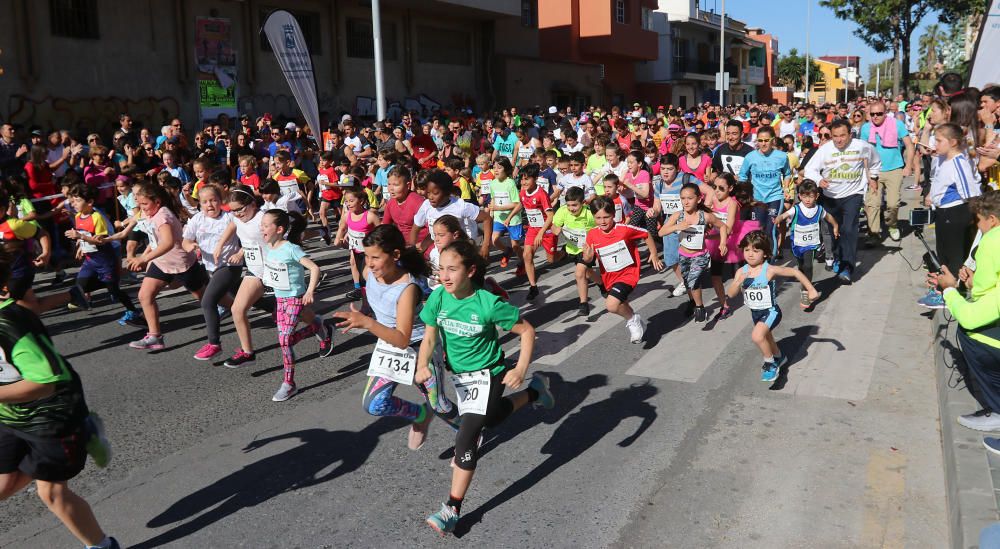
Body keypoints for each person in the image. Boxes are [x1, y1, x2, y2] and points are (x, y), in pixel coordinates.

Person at [417, 239, 554, 536]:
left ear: (471, 270)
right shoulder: (438, 297)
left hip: (489, 375)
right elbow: (429, 337)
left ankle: (451, 509)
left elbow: (527, 331)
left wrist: (520, 368)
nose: (445, 276)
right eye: (441, 269)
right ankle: (535, 393)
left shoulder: (488, 304)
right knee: (491, 418)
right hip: (461, 378)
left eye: (452, 269)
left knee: (466, 437)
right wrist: (422, 364)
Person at [0, 249, 121, 549]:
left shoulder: (9, 325)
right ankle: (82, 434)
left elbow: (45, 383)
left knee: (51, 493)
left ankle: (103, 547)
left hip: (52, 415)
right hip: (9, 413)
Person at [332, 225, 457, 449]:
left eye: (375, 257)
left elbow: (402, 339)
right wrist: (367, 314)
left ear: (395, 255)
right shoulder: (369, 271)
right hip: (388, 347)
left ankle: (468, 436)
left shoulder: (407, 289)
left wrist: (366, 322)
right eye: (366, 255)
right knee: (374, 404)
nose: (368, 263)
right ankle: (420, 415)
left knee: (439, 404)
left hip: (420, 350)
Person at [932, 192, 1000, 433]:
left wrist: (949, 289)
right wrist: (972, 283)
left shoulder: (992, 240)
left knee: (969, 334)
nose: (976, 225)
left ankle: (997, 409)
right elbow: (986, 286)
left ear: (991, 219)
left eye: (978, 220)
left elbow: (973, 315)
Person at [726, 230, 819, 382]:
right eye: (747, 250)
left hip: (771, 312)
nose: (750, 254)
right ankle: (779, 357)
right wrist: (737, 282)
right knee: (766, 337)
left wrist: (811, 289)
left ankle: (770, 364)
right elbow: (730, 294)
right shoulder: (741, 272)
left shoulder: (769, 270)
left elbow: (795, 273)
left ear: (765, 253)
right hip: (755, 313)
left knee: (757, 336)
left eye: (756, 251)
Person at [125, 182, 207, 351]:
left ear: (157, 201)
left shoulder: (162, 215)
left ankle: (239, 309)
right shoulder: (151, 213)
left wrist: (144, 259)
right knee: (145, 296)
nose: (142, 207)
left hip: (181, 264)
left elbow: (168, 243)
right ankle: (155, 336)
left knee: (208, 299)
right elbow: (155, 241)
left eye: (145, 204)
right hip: (161, 263)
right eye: (140, 204)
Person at [260, 209, 331, 402]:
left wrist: (309, 292)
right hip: (280, 300)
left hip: (295, 299)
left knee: (284, 341)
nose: (262, 228)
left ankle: (289, 384)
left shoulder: (291, 248)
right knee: (286, 340)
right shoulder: (269, 248)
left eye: (266, 225)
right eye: (262, 224)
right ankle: (318, 327)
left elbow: (314, 268)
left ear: (280, 229)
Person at [803, 119, 881, 283]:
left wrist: (873, 177)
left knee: (849, 229)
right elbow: (810, 169)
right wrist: (819, 180)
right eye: (835, 136)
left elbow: (875, 161)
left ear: (850, 134)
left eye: (842, 136)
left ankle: (847, 267)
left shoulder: (862, 146)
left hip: (853, 194)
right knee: (833, 232)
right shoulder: (825, 150)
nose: (838, 140)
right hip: (830, 197)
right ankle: (838, 257)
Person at [583, 196, 665, 342]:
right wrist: (588, 258)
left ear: (614, 214)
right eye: (598, 217)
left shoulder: (624, 230)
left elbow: (646, 234)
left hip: (628, 274)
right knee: (621, 303)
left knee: (611, 305)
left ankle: (632, 319)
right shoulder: (592, 234)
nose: (602, 221)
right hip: (609, 277)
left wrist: (654, 254)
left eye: (606, 217)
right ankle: (637, 321)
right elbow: (589, 258)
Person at [920, 123, 984, 309]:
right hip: (943, 212)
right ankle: (944, 291)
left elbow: (970, 192)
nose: (935, 144)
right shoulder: (942, 159)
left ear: (953, 142)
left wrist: (973, 217)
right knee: (944, 253)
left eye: (939, 141)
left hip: (955, 213)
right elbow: (939, 182)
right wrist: (932, 197)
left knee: (954, 255)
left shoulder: (959, 162)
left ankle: (954, 292)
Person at [63, 185, 141, 326]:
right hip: (90, 260)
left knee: (114, 290)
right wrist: (81, 245)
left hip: (105, 259)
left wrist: (80, 236)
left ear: (90, 202)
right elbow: (85, 234)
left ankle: (133, 310)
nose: (73, 204)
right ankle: (103, 286)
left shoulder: (97, 217)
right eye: (73, 200)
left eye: (77, 200)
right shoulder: (77, 216)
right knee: (80, 287)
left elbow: (101, 241)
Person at [182, 184, 241, 360]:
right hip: (211, 268)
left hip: (230, 266)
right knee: (238, 299)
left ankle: (214, 344)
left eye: (213, 200)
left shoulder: (230, 218)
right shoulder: (197, 219)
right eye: (205, 202)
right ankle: (274, 309)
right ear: (199, 204)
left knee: (208, 301)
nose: (210, 205)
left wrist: (239, 253)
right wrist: (190, 245)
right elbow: (185, 241)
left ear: (221, 201)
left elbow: (248, 238)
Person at [658, 183, 728, 322]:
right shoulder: (677, 215)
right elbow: (661, 232)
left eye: (689, 198)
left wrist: (722, 243)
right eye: (683, 198)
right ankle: (694, 303)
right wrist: (678, 226)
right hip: (683, 255)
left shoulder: (705, 216)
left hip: (700, 255)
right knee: (687, 281)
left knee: (693, 280)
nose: (686, 201)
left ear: (699, 199)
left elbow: (723, 227)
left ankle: (700, 307)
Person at [775, 180, 840, 309]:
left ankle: (806, 291)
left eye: (810, 196)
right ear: (799, 196)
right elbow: (785, 215)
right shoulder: (797, 208)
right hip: (797, 244)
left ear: (816, 196)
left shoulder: (819, 209)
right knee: (802, 267)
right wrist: (778, 219)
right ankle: (805, 281)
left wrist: (835, 226)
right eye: (804, 196)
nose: (808, 200)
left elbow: (829, 217)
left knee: (808, 266)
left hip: (811, 244)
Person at [539, 186, 601, 316]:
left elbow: (601, 228)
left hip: (586, 250)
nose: (571, 208)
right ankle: (602, 284)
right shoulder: (562, 211)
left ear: (583, 203)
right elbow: (555, 226)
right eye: (569, 205)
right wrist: (556, 229)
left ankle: (583, 304)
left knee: (579, 274)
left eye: (575, 205)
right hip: (570, 247)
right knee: (588, 273)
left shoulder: (590, 215)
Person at [860, 100, 915, 243]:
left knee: (893, 204)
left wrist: (908, 166)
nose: (875, 117)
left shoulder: (897, 124)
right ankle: (873, 234)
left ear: (885, 113)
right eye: (872, 114)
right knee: (873, 203)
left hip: (894, 169)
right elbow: (864, 153)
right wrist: (866, 174)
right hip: (874, 171)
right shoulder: (866, 128)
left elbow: (909, 145)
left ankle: (892, 225)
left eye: (879, 113)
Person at [738, 126, 791, 257]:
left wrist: (785, 188)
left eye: (766, 140)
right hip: (757, 198)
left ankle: (769, 261)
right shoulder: (750, 157)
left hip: (775, 197)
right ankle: (758, 258)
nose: (763, 143)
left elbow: (787, 174)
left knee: (770, 229)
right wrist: (746, 193)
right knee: (758, 229)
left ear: (773, 140)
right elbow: (742, 176)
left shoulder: (782, 156)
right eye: (760, 140)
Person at [519, 163, 560, 300]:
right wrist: (510, 216)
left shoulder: (542, 194)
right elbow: (521, 203)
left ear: (535, 179)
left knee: (551, 259)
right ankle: (533, 287)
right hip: (532, 228)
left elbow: (550, 216)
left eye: (527, 179)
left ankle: (564, 252)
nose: (523, 182)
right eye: (522, 179)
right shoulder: (523, 191)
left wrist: (542, 233)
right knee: (527, 254)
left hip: (546, 229)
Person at [335, 187, 380, 301]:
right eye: (346, 201)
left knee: (367, 277)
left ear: (361, 201)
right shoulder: (347, 215)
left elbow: (381, 231)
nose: (348, 204)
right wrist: (338, 238)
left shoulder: (370, 216)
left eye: (351, 201)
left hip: (368, 253)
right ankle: (364, 299)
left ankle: (370, 301)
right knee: (360, 276)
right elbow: (342, 227)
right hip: (356, 250)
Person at [705, 174, 739, 320]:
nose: (717, 191)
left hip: (732, 242)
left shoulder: (732, 204)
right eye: (714, 187)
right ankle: (724, 305)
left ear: (730, 188)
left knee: (742, 275)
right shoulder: (712, 200)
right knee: (715, 276)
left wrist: (712, 236)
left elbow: (729, 229)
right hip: (715, 242)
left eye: (721, 188)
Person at [486, 157, 523, 271]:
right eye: (494, 167)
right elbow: (493, 198)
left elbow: (516, 203)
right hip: (499, 218)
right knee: (494, 240)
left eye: (499, 167)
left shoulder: (510, 183)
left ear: (506, 170)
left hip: (513, 219)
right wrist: (491, 213)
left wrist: (498, 207)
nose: (496, 170)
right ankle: (506, 250)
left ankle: (523, 262)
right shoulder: (492, 183)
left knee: (516, 246)